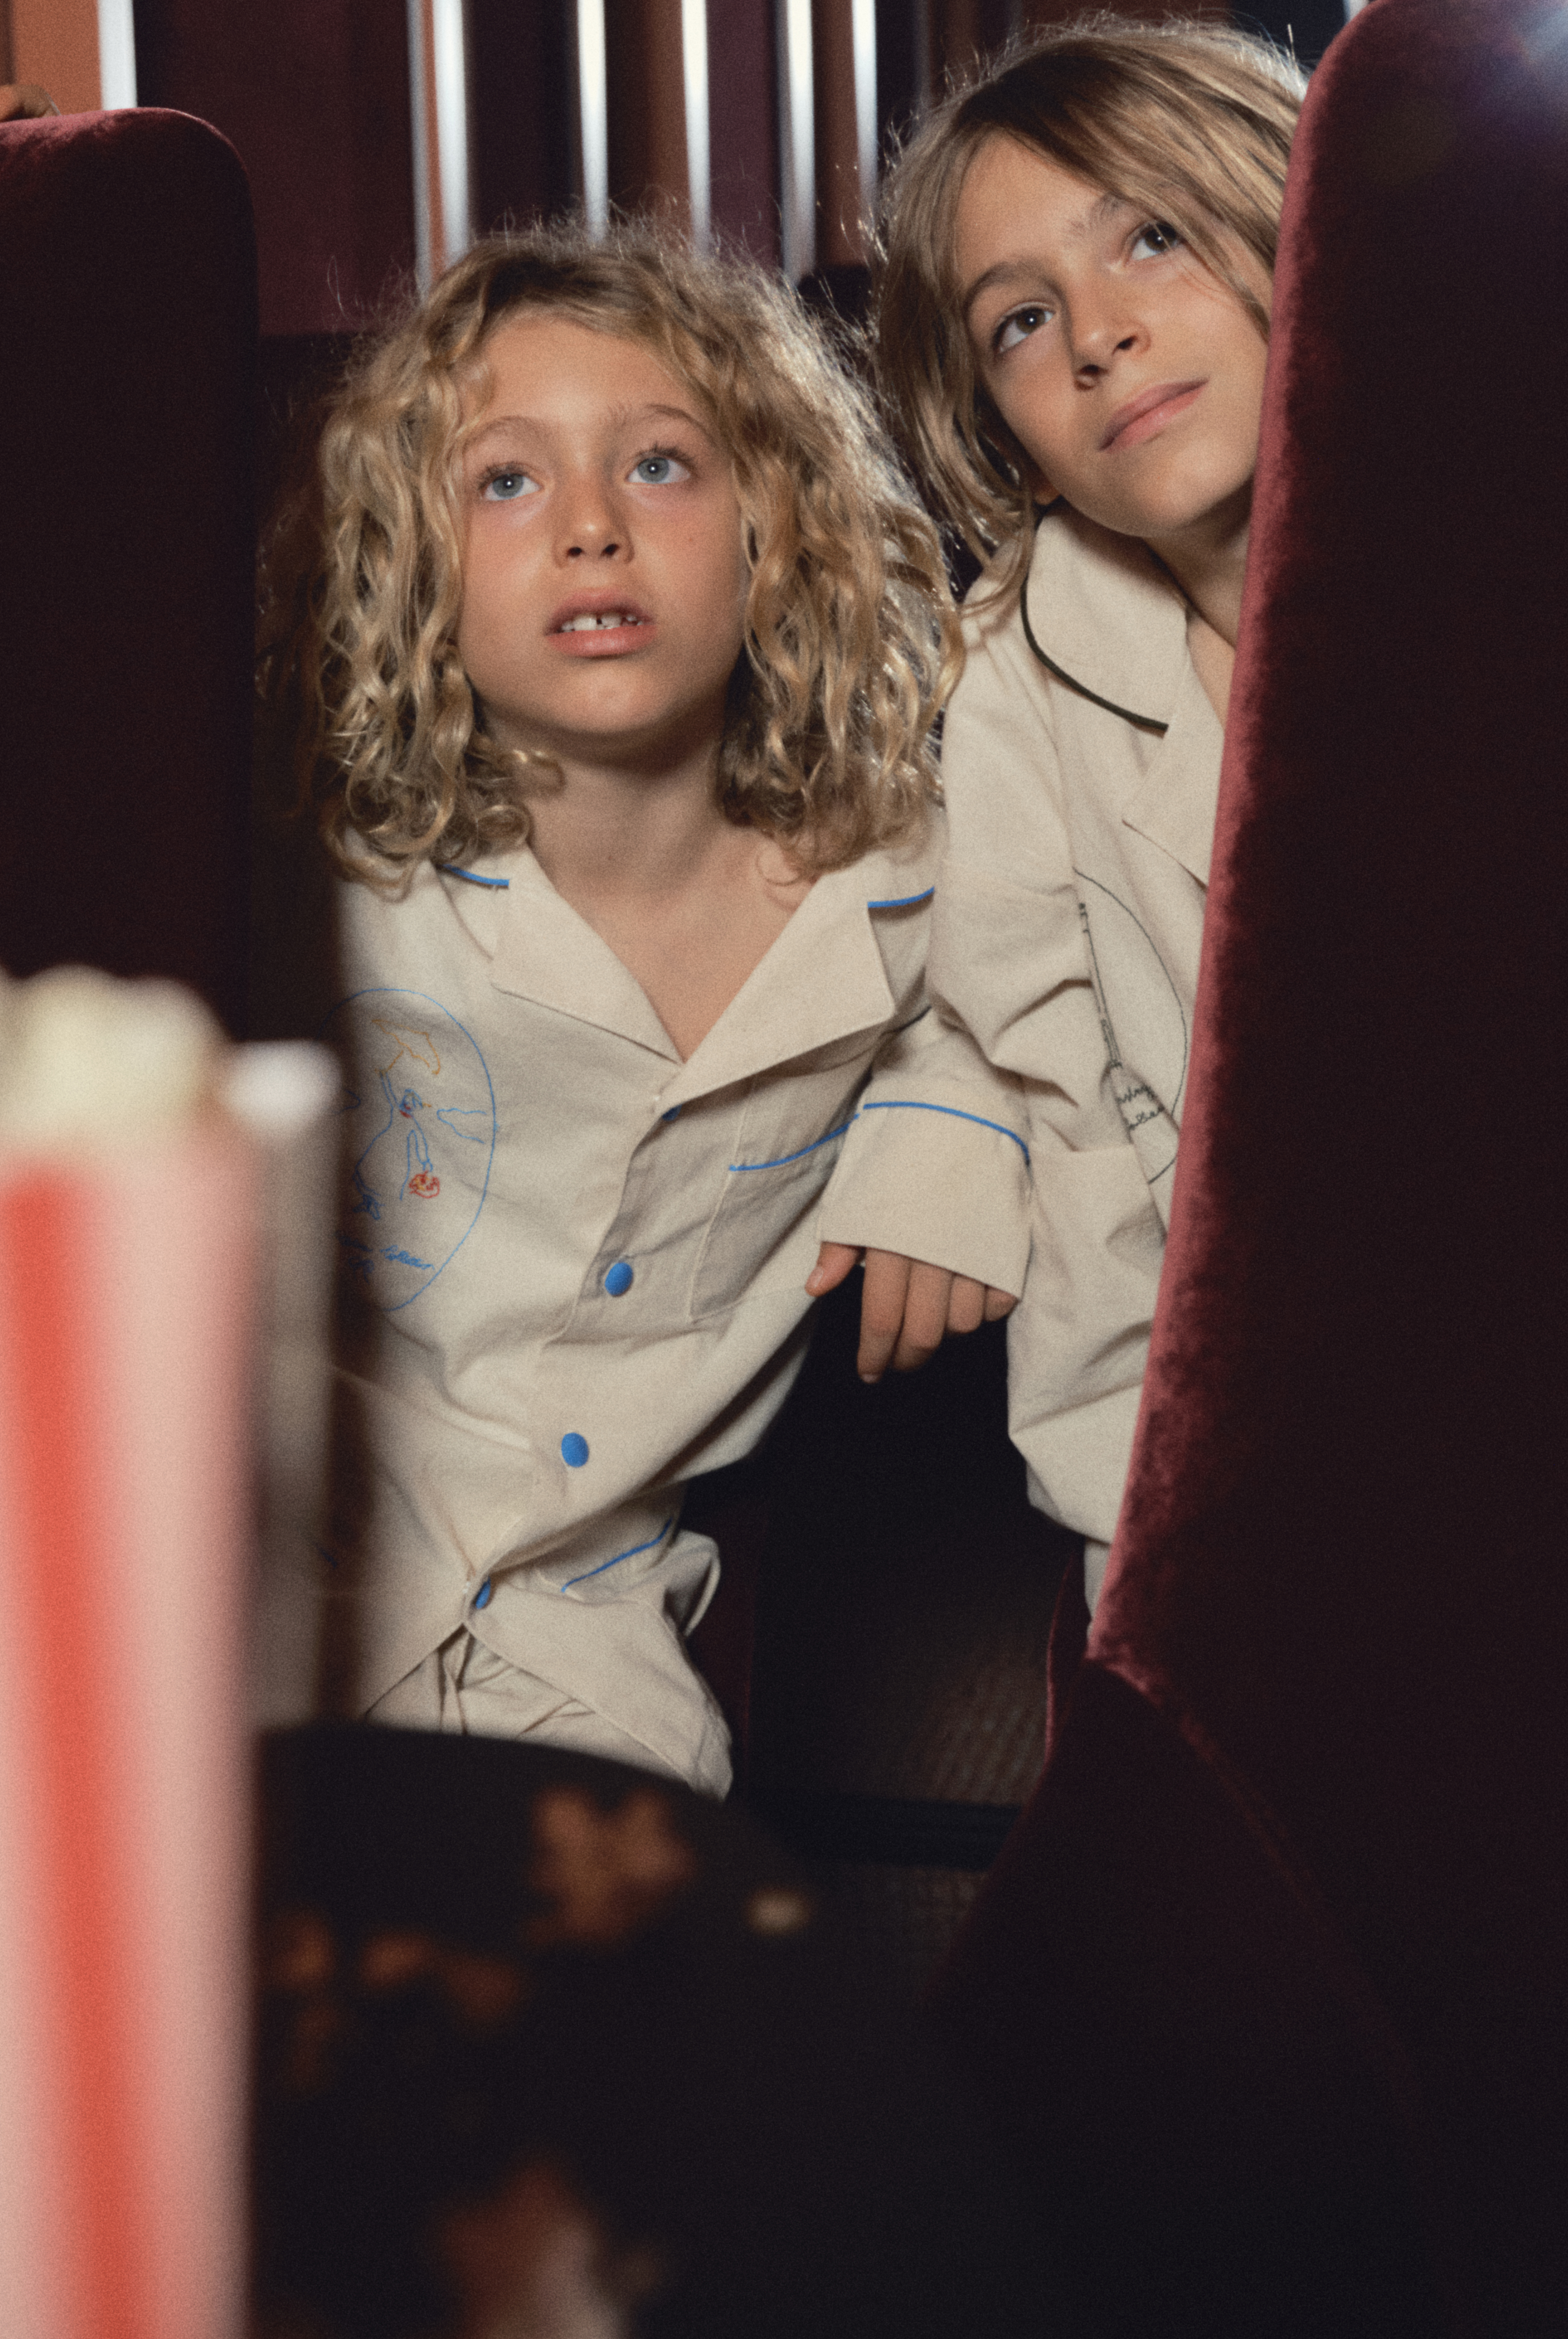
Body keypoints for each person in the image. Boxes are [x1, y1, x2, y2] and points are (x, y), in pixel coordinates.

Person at [271, 227, 1027, 1794]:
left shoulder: (897, 878)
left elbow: (1081, 961)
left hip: (582, 1645)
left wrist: (949, 1112)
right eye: (505, 481)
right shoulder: (329, 876)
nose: (592, 530)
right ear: (413, 561)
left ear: (774, 528)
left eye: (662, 467)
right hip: (263, 1578)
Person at [872, 15, 1305, 1598]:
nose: (1099, 334)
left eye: (1151, 236)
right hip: (1233, 1488)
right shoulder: (1012, 683)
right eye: (1018, 320)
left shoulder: (1546, 550)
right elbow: (1018, 1039)